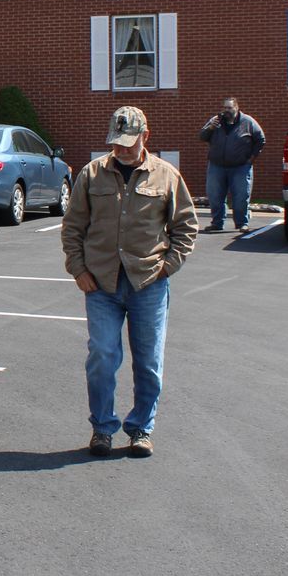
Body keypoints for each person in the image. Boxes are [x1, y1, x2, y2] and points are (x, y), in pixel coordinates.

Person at [60, 104, 197, 458]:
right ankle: (102, 428)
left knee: (148, 362)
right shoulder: (92, 175)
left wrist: (168, 266)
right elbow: (73, 227)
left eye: (128, 142)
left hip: (148, 283)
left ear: (145, 137)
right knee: (102, 356)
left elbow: (185, 227)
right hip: (101, 284)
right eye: (115, 142)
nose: (120, 149)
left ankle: (140, 429)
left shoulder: (166, 175)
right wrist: (78, 269)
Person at [199, 96, 265, 232]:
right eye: (224, 108)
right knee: (215, 196)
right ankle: (217, 223)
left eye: (229, 108)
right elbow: (202, 137)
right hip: (217, 166)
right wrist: (210, 127)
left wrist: (251, 158)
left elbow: (260, 139)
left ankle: (242, 223)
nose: (226, 111)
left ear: (236, 108)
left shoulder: (247, 122)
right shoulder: (216, 121)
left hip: (240, 166)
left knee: (241, 196)